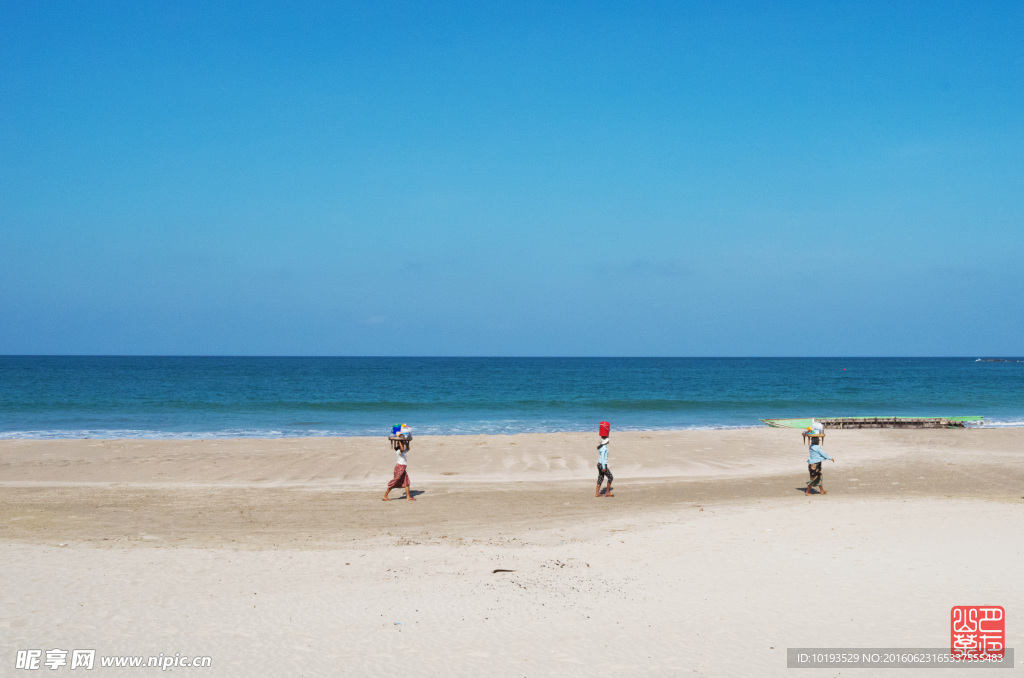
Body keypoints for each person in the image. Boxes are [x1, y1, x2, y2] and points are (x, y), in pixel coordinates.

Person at [383, 435, 415, 501]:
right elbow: (402, 449)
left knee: (407, 481)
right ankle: (385, 495)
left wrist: (406, 442)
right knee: (395, 481)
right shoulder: (399, 452)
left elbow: (408, 448)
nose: (403, 446)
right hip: (399, 467)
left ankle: (408, 497)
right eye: (402, 445)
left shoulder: (403, 452)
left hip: (403, 468)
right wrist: (400, 441)